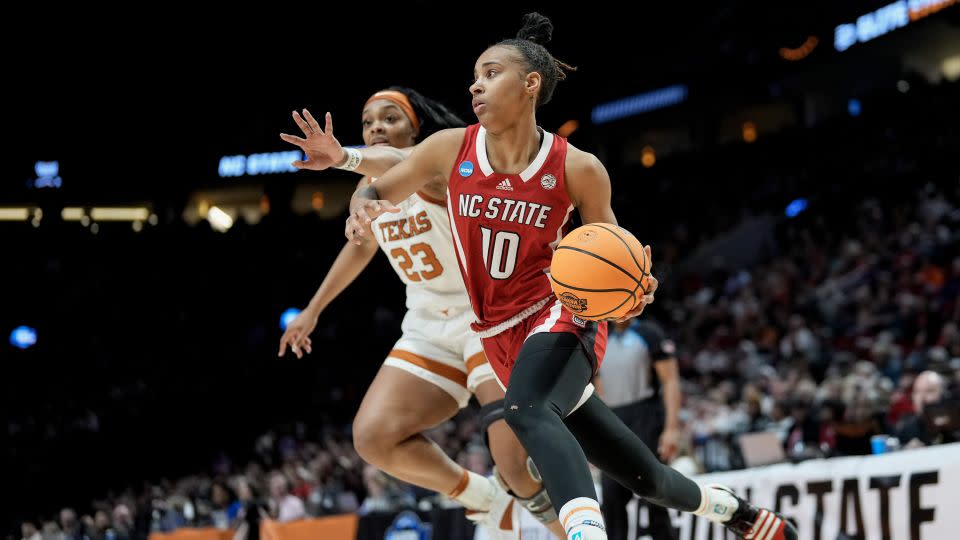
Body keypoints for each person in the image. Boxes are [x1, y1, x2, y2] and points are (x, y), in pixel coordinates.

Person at [291, 13, 796, 540]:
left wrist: (634, 290)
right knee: (648, 479)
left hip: (560, 313)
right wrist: (361, 197)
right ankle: (737, 513)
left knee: (524, 409)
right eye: (474, 76)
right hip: (496, 333)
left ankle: (584, 534)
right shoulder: (449, 149)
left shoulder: (578, 167)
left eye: (490, 73)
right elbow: (384, 181)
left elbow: (614, 250)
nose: (475, 84)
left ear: (530, 84)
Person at [279, 87, 564, 538]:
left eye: (390, 118)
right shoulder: (370, 185)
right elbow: (359, 247)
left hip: (487, 317)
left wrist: (342, 158)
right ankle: (480, 498)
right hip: (429, 324)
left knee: (513, 463)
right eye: (369, 120)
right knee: (373, 437)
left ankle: (564, 530)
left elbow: (393, 165)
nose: (376, 127)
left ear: (415, 128)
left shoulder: (437, 166)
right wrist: (313, 309)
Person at [594, 319, 681, 540]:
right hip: (612, 418)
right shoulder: (600, 336)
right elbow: (597, 385)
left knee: (654, 496)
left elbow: (671, 380)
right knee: (611, 496)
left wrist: (672, 428)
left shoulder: (648, 332)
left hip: (646, 416)